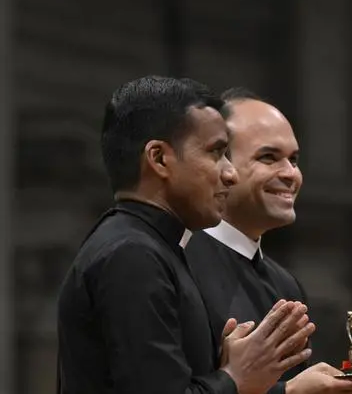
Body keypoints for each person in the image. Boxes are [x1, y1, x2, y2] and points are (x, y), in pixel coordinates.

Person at [57, 76, 314, 394]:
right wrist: (235, 378)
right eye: (216, 153)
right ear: (159, 159)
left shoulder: (153, 248)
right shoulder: (132, 254)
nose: (229, 172)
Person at [185, 87, 352, 394]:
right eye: (268, 157)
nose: (291, 174)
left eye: (294, 159)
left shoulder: (286, 285)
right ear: (221, 165)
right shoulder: (178, 262)